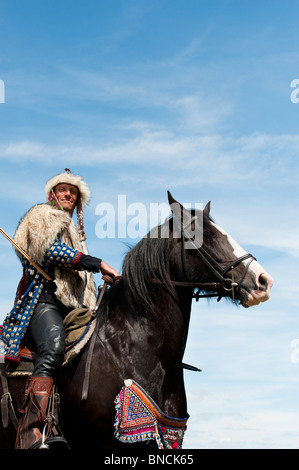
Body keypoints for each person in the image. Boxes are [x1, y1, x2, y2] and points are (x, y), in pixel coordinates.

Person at [0, 169, 119, 449]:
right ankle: (31, 428)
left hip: (72, 309)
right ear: (52, 195)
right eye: (63, 189)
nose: (68, 194)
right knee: (53, 345)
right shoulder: (42, 216)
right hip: (42, 302)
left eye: (73, 191)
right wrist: (98, 263)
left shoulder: (76, 235)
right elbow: (51, 252)